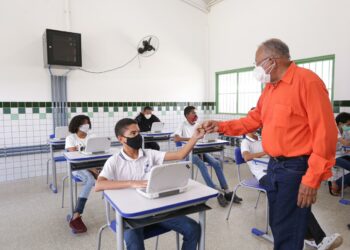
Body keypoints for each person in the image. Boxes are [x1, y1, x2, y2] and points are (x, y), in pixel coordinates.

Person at [202, 39, 338, 250]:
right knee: (279, 225)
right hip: (274, 166)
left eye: (257, 63)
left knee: (287, 231)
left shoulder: (307, 82)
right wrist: (220, 126)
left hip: (295, 168)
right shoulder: (269, 89)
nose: (256, 68)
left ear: (272, 61)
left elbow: (325, 134)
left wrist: (312, 179)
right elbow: (252, 120)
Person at [95, 118, 205, 250]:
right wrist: (132, 183)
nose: (138, 137)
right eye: (133, 134)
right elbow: (99, 185)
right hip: (132, 217)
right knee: (135, 245)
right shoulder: (114, 161)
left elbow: (179, 155)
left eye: (139, 133)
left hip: (156, 210)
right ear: (121, 139)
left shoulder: (149, 154)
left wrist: (194, 138)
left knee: (193, 229)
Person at [241, 130, 342, 250]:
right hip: (262, 175)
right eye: (256, 125)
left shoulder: (262, 139)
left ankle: (311, 237)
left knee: (296, 199)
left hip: (276, 170)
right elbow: (247, 157)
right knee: (294, 201)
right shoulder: (245, 142)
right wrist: (266, 152)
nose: (259, 127)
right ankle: (319, 239)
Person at [174, 106, 242, 207]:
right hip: (189, 153)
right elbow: (176, 138)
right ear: (187, 115)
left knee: (216, 163)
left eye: (195, 112)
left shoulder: (198, 125)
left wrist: (208, 135)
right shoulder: (182, 125)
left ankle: (227, 191)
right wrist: (192, 139)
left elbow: (204, 136)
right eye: (193, 113)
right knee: (202, 165)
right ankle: (216, 193)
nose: (195, 114)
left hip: (201, 150)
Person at [65, 115, 100, 233]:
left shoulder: (92, 137)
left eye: (87, 123)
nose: (86, 125)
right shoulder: (71, 138)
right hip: (78, 167)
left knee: (110, 175)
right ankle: (77, 214)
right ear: (76, 125)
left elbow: (97, 153)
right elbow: (76, 158)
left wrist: (94, 169)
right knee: (90, 180)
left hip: (93, 166)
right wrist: (92, 170)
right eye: (83, 123)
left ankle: (118, 207)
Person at [328, 112, 350, 196]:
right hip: (333, 156)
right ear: (340, 123)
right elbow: (346, 143)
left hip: (342, 154)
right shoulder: (333, 129)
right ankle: (336, 184)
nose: (348, 127)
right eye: (348, 124)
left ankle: (342, 183)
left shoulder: (345, 131)